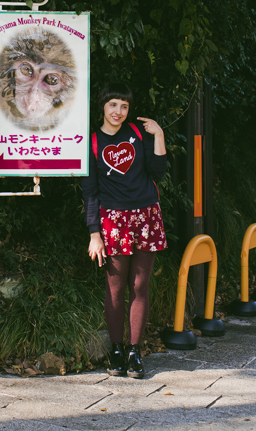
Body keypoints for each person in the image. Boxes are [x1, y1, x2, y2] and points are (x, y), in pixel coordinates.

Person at [82, 83, 168, 379]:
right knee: (116, 289)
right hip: (113, 220)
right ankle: (116, 349)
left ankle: (134, 351)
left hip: (146, 214)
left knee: (139, 287)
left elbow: (158, 171)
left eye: (124, 106)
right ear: (103, 107)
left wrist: (158, 135)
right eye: (113, 105)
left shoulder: (138, 133)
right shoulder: (92, 143)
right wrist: (95, 233)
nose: (118, 111)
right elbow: (90, 191)